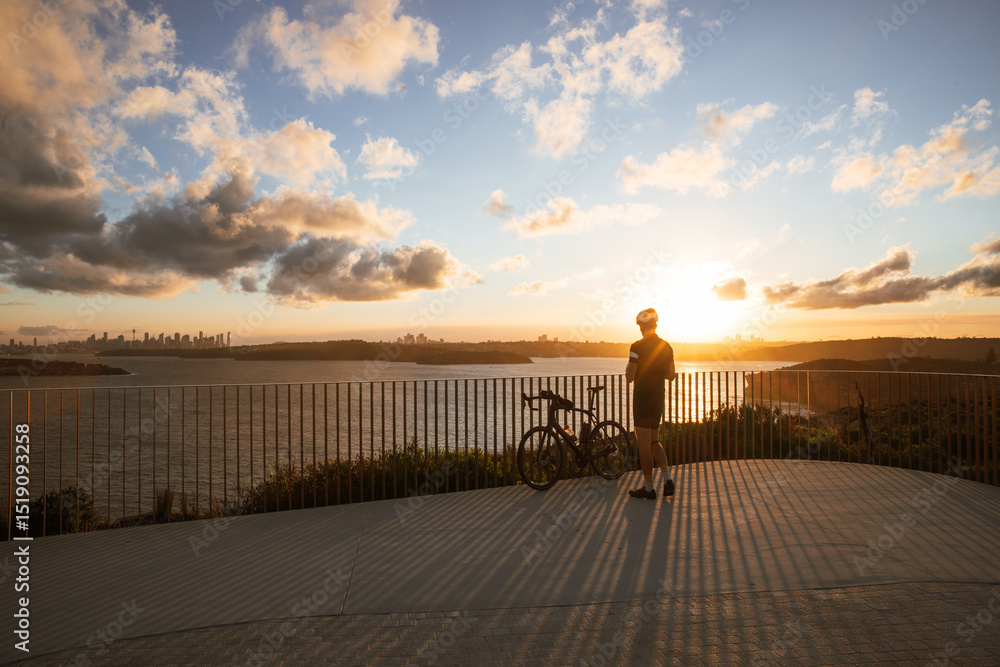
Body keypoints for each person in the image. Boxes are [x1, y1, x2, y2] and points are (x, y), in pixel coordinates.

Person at [625, 308, 676, 500]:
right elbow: (670, 375)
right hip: (658, 399)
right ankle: (667, 478)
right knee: (655, 441)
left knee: (644, 444)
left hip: (642, 399)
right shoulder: (666, 346)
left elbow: (630, 377)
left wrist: (629, 368)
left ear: (642, 326)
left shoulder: (636, 347)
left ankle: (648, 487)